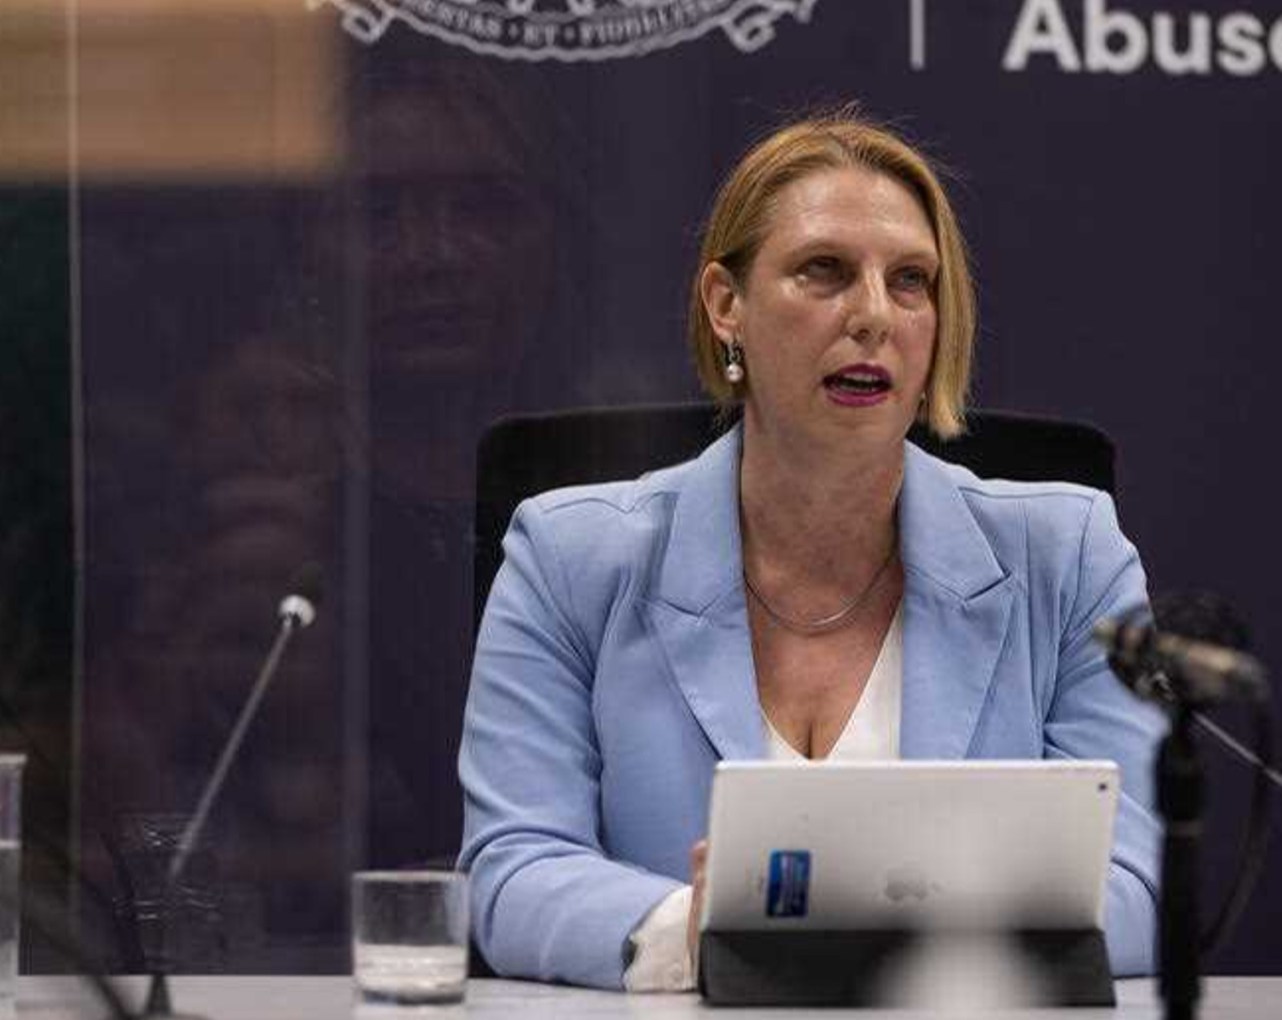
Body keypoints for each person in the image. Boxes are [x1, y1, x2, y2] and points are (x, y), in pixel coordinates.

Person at [458, 109, 1164, 992]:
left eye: (911, 281)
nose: (874, 315)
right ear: (727, 306)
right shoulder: (567, 557)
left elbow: (1138, 887)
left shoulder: (1070, 557)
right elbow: (513, 870)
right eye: (823, 271)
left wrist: (823, 920)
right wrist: (696, 929)